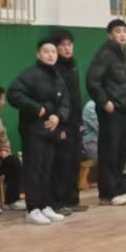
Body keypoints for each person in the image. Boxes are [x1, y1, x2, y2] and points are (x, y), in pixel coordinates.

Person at [6, 38, 70, 225]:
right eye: (46, 51)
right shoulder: (29, 75)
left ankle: (45, 205)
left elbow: (65, 103)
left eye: (53, 52)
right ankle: (32, 208)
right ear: (38, 54)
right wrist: (37, 109)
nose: (50, 55)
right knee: (34, 169)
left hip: (51, 132)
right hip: (33, 130)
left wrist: (58, 116)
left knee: (47, 170)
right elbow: (13, 94)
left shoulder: (58, 77)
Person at [86, 19, 126, 206]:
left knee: (122, 150)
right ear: (110, 35)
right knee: (110, 152)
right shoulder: (105, 53)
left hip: (123, 108)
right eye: (118, 31)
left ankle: (119, 189)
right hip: (111, 110)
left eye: (125, 31)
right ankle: (108, 193)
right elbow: (92, 81)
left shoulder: (121, 54)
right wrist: (104, 101)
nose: (122, 34)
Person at [51, 31, 86, 215]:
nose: (67, 48)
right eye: (62, 45)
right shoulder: (54, 70)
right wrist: (61, 127)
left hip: (75, 123)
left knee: (74, 162)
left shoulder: (73, 67)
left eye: (69, 45)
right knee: (62, 164)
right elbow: (56, 102)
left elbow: (76, 98)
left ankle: (73, 200)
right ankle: (59, 202)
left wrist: (79, 122)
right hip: (61, 124)